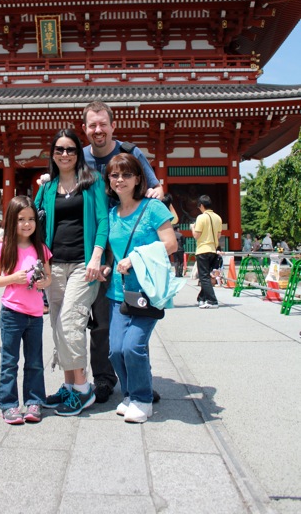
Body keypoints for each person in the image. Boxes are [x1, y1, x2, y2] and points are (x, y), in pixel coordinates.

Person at [82, 100, 164, 403]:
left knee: (135, 317)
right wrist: (48, 179)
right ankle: (103, 378)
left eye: (103, 123)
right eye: (92, 125)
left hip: (127, 252)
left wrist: (157, 193)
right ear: (85, 129)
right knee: (102, 321)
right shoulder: (79, 159)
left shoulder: (131, 154)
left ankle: (139, 380)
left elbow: (154, 188)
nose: (98, 129)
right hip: (94, 251)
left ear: (112, 126)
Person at [35, 129, 108, 416]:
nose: (65, 155)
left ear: (79, 153)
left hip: (83, 264)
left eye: (71, 150)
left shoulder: (92, 182)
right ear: (52, 154)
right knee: (57, 324)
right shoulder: (47, 188)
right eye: (59, 150)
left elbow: (102, 220)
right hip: (54, 265)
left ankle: (83, 388)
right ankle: (67, 386)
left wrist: (97, 255)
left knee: (70, 322)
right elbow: (34, 224)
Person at [105, 154, 177, 423]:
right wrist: (107, 266)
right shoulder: (112, 214)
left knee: (133, 346)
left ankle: (143, 399)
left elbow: (171, 244)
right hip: (117, 291)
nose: (120, 180)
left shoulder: (154, 208)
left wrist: (134, 258)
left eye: (126, 175)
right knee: (114, 350)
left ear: (138, 179)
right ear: (109, 180)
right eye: (114, 175)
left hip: (148, 291)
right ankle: (129, 394)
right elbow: (115, 252)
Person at [0, 195, 52, 425]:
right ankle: (8, 404)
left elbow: (48, 277)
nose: (27, 224)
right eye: (21, 219)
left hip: (35, 314)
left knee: (35, 361)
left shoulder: (41, 248)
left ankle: (34, 401)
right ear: (11, 221)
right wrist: (13, 278)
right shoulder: (4, 247)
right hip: (11, 312)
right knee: (9, 361)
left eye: (31, 219)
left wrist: (43, 282)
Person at [191, 195, 223, 309]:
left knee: (203, 277)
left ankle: (212, 300)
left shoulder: (201, 217)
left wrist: (192, 228)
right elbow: (219, 235)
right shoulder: (218, 218)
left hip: (203, 249)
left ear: (202, 206)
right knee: (207, 277)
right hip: (213, 249)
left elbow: (196, 235)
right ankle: (201, 298)